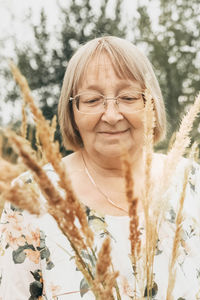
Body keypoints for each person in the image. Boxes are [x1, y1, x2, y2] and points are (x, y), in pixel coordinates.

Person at [0, 36, 200, 300]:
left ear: (150, 104)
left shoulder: (191, 182)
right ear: (72, 110)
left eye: (128, 97)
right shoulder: (31, 196)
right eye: (93, 100)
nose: (112, 115)